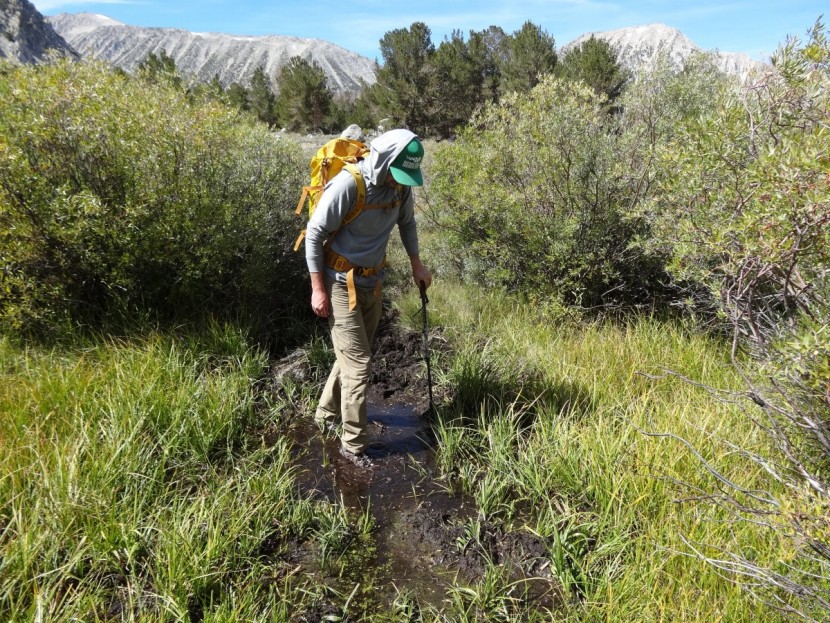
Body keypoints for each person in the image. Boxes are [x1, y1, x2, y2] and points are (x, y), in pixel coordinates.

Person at [305, 128, 432, 468]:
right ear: (385, 161)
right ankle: (353, 447)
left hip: (372, 281)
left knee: (351, 357)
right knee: (359, 365)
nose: (399, 182)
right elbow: (315, 235)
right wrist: (318, 289)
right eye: (397, 174)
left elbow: (407, 224)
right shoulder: (350, 185)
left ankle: (325, 414)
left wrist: (416, 265)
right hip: (338, 282)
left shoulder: (400, 187)